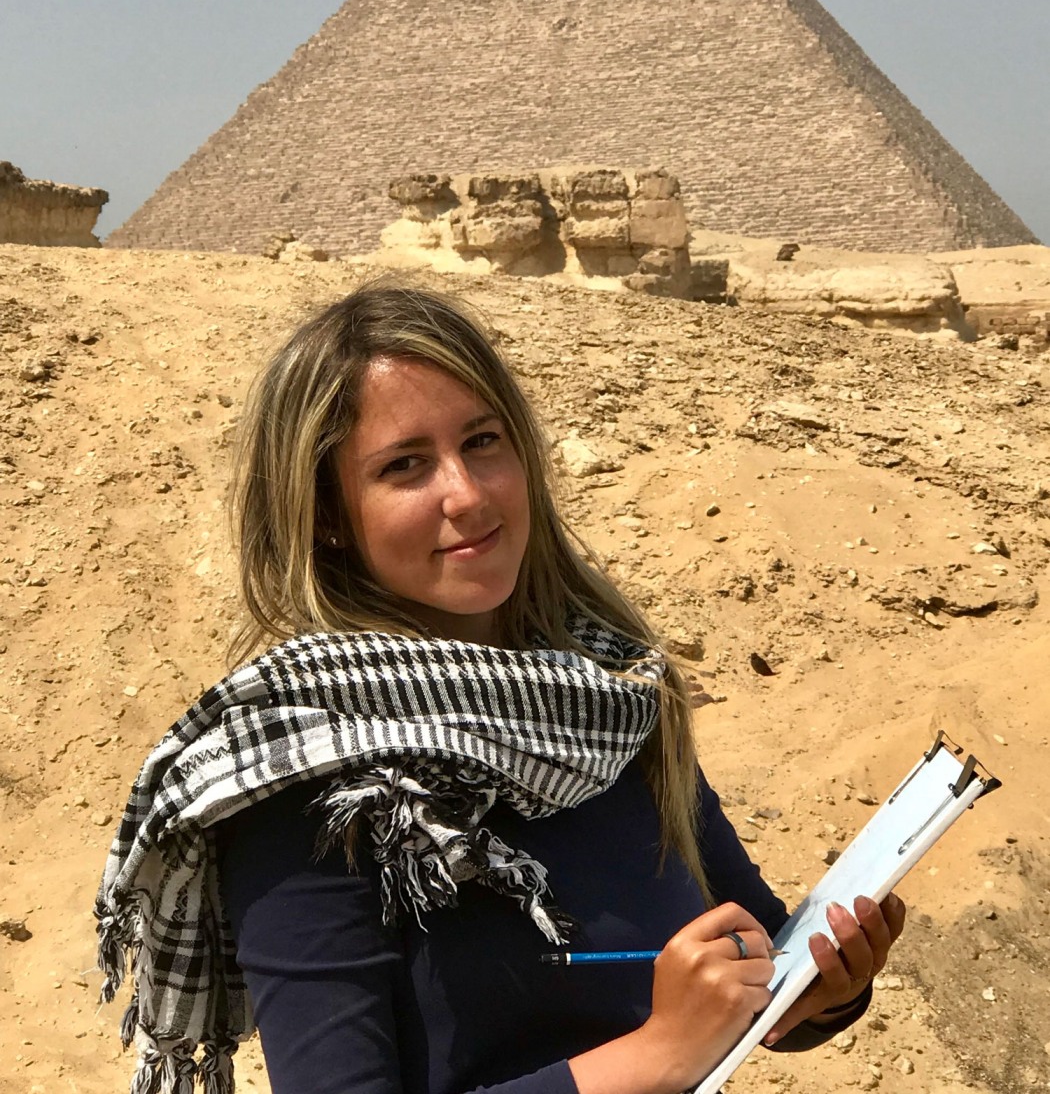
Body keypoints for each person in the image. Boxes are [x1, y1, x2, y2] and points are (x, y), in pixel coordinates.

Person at [95, 281, 905, 1094]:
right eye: (405, 466)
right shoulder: (308, 777)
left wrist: (823, 988)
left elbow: (746, 951)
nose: (469, 495)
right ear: (329, 514)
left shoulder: (609, 702)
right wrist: (653, 1056)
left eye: (482, 441)